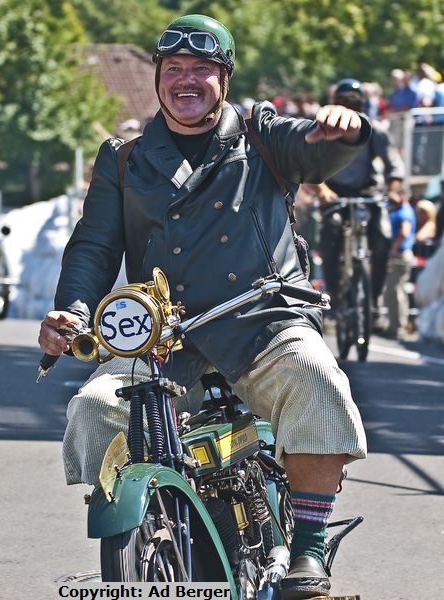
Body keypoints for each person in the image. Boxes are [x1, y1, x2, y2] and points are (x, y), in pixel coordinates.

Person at [38, 15, 370, 599]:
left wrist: (344, 129)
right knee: (94, 405)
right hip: (162, 335)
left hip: (261, 323)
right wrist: (71, 309)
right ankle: (144, 525)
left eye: (201, 70)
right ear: (158, 80)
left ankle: (308, 553)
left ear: (225, 77)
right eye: (174, 71)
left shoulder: (263, 135)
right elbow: (93, 245)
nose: (185, 81)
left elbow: (319, 150)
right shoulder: (123, 158)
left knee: (316, 378)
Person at [308, 78, 405, 323]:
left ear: (362, 104)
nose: (347, 108)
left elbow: (394, 166)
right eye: (342, 103)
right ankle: (336, 301)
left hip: (367, 191)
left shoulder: (375, 131)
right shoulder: (321, 129)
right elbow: (306, 166)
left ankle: (374, 300)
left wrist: (393, 191)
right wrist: (322, 190)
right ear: (333, 104)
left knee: (382, 234)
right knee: (330, 231)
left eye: (353, 103)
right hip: (335, 191)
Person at [383, 190, 416, 339]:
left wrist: (394, 249)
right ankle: (393, 325)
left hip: (400, 255)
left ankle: (399, 327)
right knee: (392, 291)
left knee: (396, 291)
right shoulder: (400, 210)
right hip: (399, 254)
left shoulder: (405, 212)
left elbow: (404, 233)